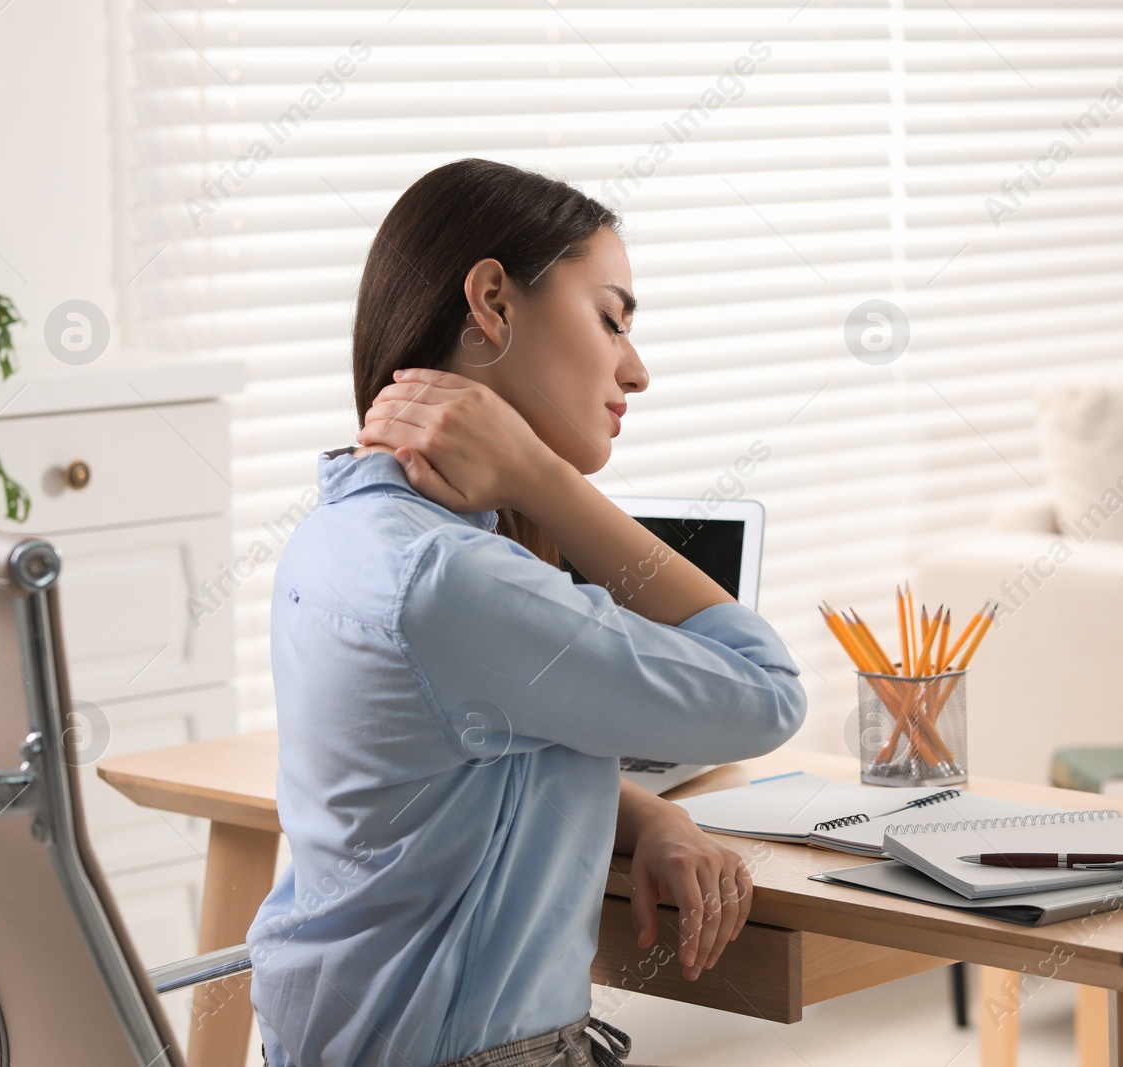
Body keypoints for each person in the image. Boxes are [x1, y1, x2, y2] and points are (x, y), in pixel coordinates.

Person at [246, 158, 808, 1067]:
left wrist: (656, 816)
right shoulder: (457, 580)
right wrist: (546, 480)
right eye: (611, 318)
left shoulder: (345, 528)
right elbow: (766, 693)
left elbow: (477, 762)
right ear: (494, 304)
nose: (638, 368)